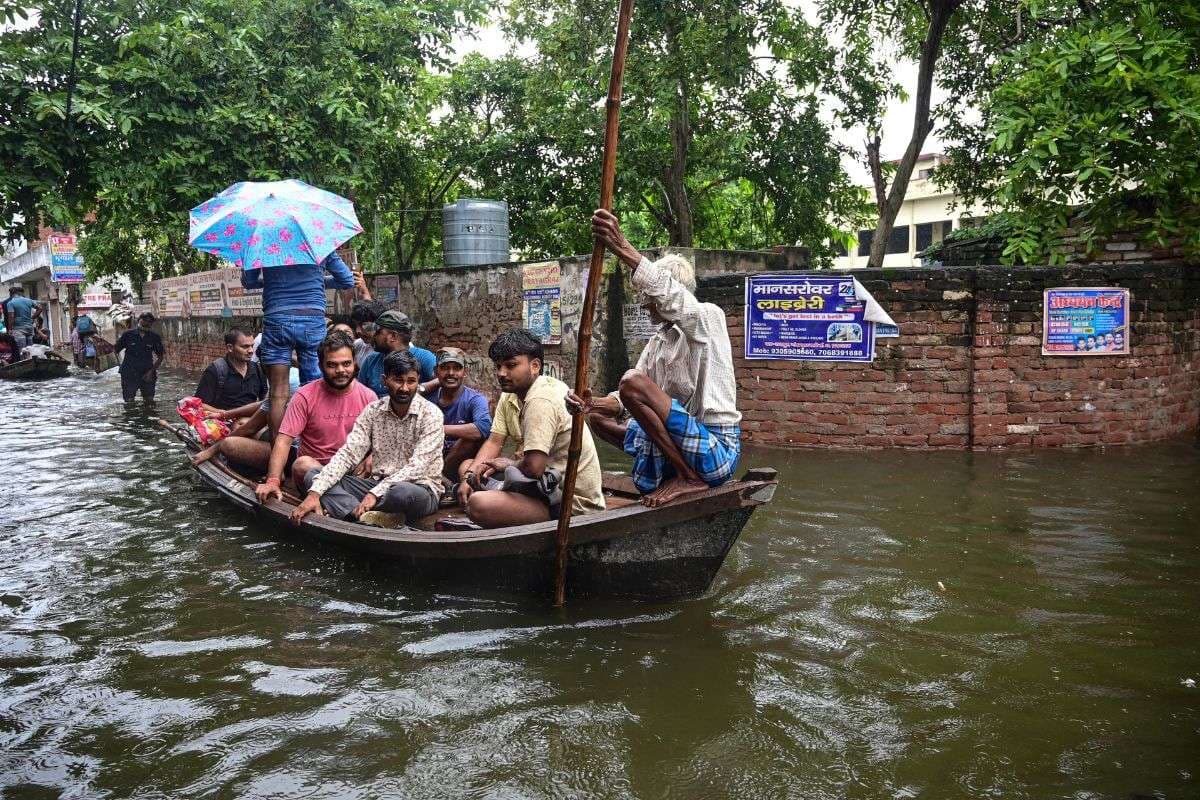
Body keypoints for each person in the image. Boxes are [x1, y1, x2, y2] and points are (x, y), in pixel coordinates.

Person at [568, 209, 741, 508]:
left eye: (649, 297)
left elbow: (674, 298)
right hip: (676, 448)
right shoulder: (658, 340)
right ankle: (673, 468)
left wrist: (621, 246)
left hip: (715, 453)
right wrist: (591, 403)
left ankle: (688, 477)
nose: (645, 305)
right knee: (597, 418)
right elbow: (623, 400)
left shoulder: (708, 318)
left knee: (632, 381)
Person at [457, 328, 604, 527]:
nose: (501, 373)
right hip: (535, 484)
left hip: (567, 500)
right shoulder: (510, 394)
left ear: (535, 366)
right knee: (468, 468)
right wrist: (470, 476)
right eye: (498, 366)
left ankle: (502, 500)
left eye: (511, 365)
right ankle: (497, 493)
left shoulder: (541, 399)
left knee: (478, 504)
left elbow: (534, 468)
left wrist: (508, 464)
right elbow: (494, 441)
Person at [194, 333, 375, 485]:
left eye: (346, 364)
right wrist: (273, 480)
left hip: (348, 469)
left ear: (355, 364)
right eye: (332, 365)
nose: (341, 370)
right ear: (321, 366)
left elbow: (380, 441)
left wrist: (370, 458)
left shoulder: (368, 397)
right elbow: (281, 437)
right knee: (301, 464)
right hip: (311, 468)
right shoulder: (303, 394)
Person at [290, 350, 444, 526]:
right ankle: (361, 517)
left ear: (418, 380)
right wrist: (315, 493)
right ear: (384, 380)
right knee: (314, 476)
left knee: (400, 492)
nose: (404, 388)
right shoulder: (373, 411)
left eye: (411, 381)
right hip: (375, 483)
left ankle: (353, 512)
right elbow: (349, 453)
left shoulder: (432, 414)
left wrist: (374, 494)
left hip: (419, 489)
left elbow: (417, 467)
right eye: (398, 380)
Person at [241, 251, 357, 437]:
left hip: (277, 319)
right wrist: (319, 278)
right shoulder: (318, 242)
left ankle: (279, 455)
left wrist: (270, 280)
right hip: (312, 321)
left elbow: (249, 282)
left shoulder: (262, 245)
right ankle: (313, 448)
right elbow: (347, 281)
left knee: (278, 394)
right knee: (315, 388)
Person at [426, 347, 492, 481]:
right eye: (445, 368)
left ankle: (439, 477)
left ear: (464, 372)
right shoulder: (428, 398)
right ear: (435, 372)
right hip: (429, 456)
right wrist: (425, 386)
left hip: (456, 463)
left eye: (457, 368)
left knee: (470, 438)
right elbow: (404, 396)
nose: (451, 373)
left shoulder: (474, 399)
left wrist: (437, 428)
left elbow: (483, 427)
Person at [358, 310, 436, 397]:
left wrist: (422, 388)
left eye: (378, 332)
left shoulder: (423, 357)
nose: (374, 336)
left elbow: (442, 378)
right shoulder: (370, 361)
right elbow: (359, 393)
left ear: (393, 336)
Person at [194, 328, 267, 413]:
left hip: (249, 421)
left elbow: (265, 401)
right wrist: (223, 414)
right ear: (230, 348)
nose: (251, 351)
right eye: (245, 347)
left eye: (252, 346)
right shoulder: (216, 370)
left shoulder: (257, 370)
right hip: (222, 422)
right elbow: (198, 404)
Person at [114, 312, 165, 403]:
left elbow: (160, 357)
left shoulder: (154, 337)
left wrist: (151, 371)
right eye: (144, 320)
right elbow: (115, 351)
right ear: (139, 320)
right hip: (129, 373)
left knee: (149, 401)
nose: (147, 323)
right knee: (129, 402)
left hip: (147, 373)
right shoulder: (128, 335)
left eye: (150, 321)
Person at [350, 300, 388, 364]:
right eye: (356, 325)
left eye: (363, 325)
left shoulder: (401, 347)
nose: (358, 331)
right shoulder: (357, 345)